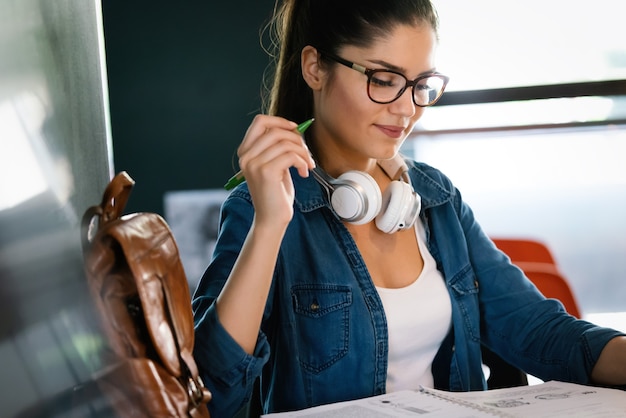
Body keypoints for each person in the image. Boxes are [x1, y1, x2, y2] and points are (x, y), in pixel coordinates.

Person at [192, 0, 626, 416]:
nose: (407, 109)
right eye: (383, 79)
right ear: (315, 67)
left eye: (421, 85)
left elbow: (537, 330)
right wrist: (270, 225)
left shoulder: (435, 197)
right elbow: (211, 397)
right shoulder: (259, 210)